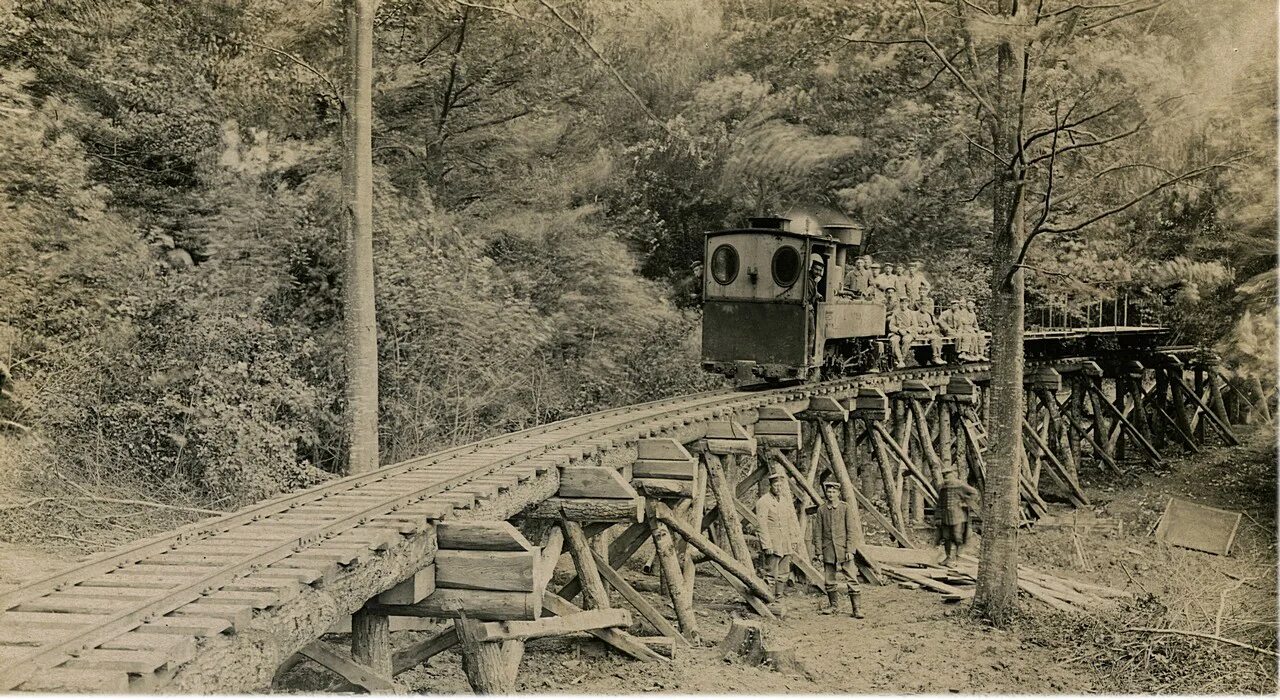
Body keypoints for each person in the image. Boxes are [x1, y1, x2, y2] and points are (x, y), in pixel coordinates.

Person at [810, 480, 864, 618]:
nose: (831, 494)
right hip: (828, 549)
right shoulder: (821, 510)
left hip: (844, 549)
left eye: (834, 492)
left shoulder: (845, 508)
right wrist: (819, 551)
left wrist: (850, 550)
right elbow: (817, 532)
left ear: (838, 493)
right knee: (829, 579)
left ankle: (856, 609)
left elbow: (851, 531)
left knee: (851, 578)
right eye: (828, 492)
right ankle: (833, 606)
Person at [755, 472, 801, 597]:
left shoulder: (785, 501)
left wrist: (793, 539)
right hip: (773, 543)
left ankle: (779, 594)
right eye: (776, 485)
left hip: (785, 542)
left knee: (784, 571)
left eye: (781, 486)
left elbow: (790, 521)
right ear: (771, 486)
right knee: (770, 571)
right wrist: (766, 545)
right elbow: (761, 525)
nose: (778, 488)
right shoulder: (763, 502)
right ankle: (767, 595)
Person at [936, 468, 981, 567]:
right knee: (946, 537)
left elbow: (974, 492)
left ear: (953, 475)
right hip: (945, 516)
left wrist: (965, 502)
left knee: (957, 537)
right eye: (944, 475)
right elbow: (939, 503)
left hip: (958, 516)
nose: (946, 477)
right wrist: (938, 517)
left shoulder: (960, 485)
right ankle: (948, 557)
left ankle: (957, 557)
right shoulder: (942, 487)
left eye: (948, 474)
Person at [913, 299, 946, 365]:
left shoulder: (927, 315)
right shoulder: (915, 314)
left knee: (937, 338)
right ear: (920, 307)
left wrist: (929, 329)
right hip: (919, 334)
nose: (924, 308)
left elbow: (931, 325)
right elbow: (914, 325)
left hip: (927, 333)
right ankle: (935, 357)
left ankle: (938, 357)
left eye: (926, 307)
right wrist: (922, 330)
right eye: (923, 306)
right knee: (934, 338)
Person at [886, 295, 914, 369]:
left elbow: (914, 326)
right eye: (901, 303)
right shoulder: (896, 313)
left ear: (907, 304)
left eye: (905, 303)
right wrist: (898, 330)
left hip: (908, 333)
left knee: (906, 340)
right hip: (897, 332)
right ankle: (900, 360)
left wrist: (906, 330)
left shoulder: (911, 313)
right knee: (893, 340)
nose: (903, 305)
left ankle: (902, 359)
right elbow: (891, 325)